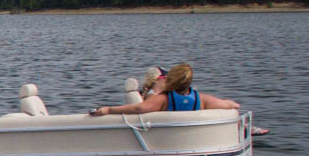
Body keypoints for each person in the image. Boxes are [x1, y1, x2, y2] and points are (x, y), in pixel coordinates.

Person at [90, 63, 237, 116]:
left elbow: (138, 109)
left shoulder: (162, 99)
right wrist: (231, 104)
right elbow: (232, 105)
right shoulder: (202, 99)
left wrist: (109, 109)